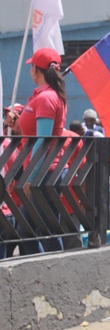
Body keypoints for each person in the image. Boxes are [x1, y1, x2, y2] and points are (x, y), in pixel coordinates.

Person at [4, 48, 68, 254]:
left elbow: (43, 140)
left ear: (34, 70)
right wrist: (17, 128)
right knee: (26, 231)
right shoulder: (44, 96)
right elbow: (36, 133)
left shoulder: (46, 98)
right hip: (43, 171)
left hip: (45, 172)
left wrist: (31, 178)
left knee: (46, 232)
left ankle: (58, 278)